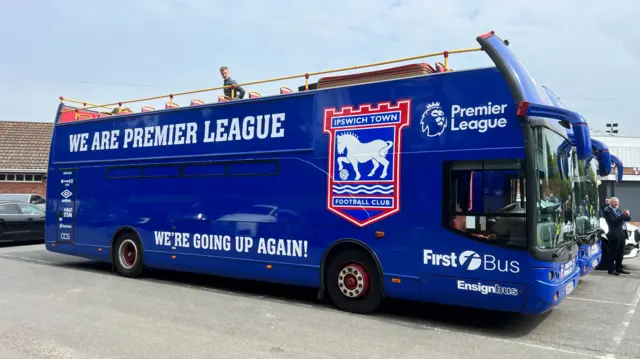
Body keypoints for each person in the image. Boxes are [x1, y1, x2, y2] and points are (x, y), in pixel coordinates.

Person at [602, 197, 631, 275]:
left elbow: (627, 219)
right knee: (613, 252)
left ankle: (619, 268)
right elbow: (613, 222)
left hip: (622, 234)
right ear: (610, 203)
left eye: (617, 202)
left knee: (620, 253)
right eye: (615, 202)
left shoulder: (618, 210)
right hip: (614, 234)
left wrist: (627, 214)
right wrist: (622, 215)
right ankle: (611, 270)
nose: (617, 203)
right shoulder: (607, 211)